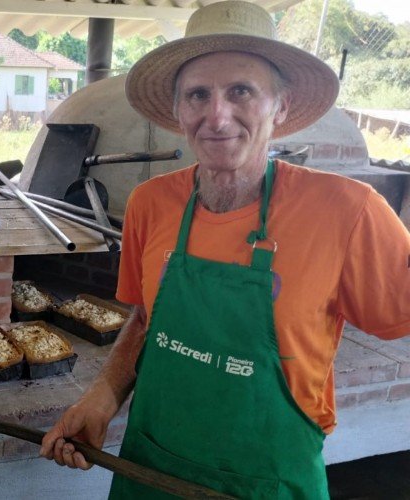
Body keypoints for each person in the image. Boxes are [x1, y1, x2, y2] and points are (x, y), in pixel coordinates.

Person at [39, 1, 410, 498]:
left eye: (241, 91)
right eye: (198, 95)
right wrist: (102, 398)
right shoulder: (151, 203)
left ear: (279, 107)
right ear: (178, 112)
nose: (217, 115)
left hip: (267, 481)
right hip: (151, 470)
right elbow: (147, 319)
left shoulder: (348, 211)